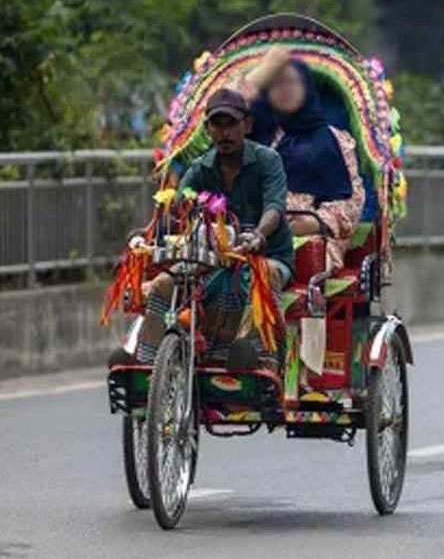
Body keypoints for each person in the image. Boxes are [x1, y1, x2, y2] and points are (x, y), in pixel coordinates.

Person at [129, 89, 294, 371]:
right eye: (217, 125)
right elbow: (175, 208)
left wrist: (257, 236)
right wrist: (145, 236)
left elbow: (275, 208)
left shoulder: (268, 161)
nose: (224, 132)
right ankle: (148, 364)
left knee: (261, 275)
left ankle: (257, 358)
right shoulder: (201, 168)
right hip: (211, 260)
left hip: (266, 256)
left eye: (231, 124)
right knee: (164, 284)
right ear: (208, 129)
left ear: (247, 125)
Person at [237, 47, 365, 274]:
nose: (285, 90)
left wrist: (316, 222)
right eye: (277, 83)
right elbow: (225, 107)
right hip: (254, 234)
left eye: (292, 82)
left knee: (289, 265)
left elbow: (352, 200)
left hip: (312, 238)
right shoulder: (256, 134)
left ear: (306, 86)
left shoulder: (334, 139)